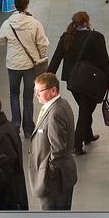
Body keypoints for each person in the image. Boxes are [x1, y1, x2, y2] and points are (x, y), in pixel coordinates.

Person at [47, 12, 109, 155]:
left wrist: (48, 77)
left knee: (85, 108)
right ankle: (76, 144)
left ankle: (87, 135)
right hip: (91, 80)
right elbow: (104, 59)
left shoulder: (66, 37)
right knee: (86, 111)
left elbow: (56, 59)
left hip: (73, 81)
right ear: (86, 22)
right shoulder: (96, 37)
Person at [0, 0, 49, 136]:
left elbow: (0, 40)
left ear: (14, 5)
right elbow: (42, 43)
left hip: (13, 65)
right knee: (28, 96)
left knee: (14, 94)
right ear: (27, 5)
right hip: (29, 66)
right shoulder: (34, 23)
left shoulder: (8, 23)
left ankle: (15, 124)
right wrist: (41, 57)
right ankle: (28, 128)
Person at [28, 72, 78, 210]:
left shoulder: (55, 113)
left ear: (53, 91)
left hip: (55, 180)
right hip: (58, 176)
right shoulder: (60, 103)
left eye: (39, 91)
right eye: (35, 90)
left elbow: (58, 148)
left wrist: (49, 171)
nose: (36, 94)